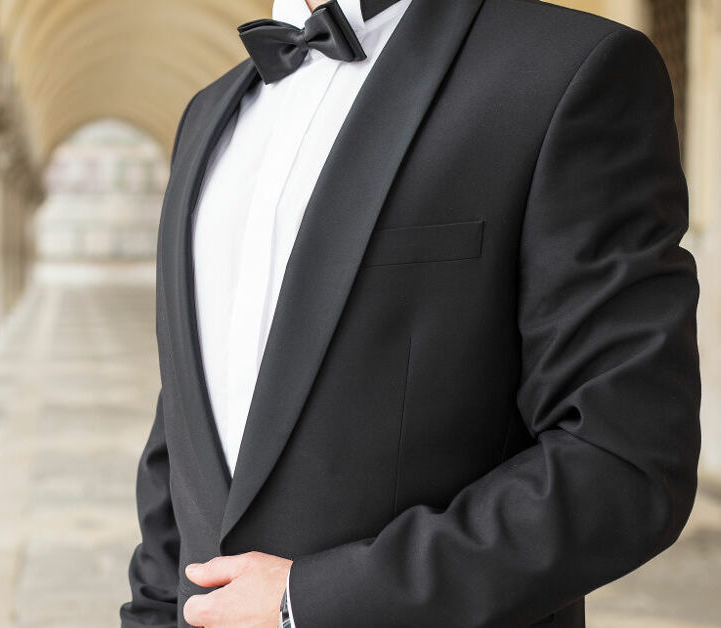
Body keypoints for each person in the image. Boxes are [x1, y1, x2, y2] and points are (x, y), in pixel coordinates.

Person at [120, 0, 702, 625]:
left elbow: (623, 460)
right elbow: (182, 430)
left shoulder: (569, 71)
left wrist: (310, 604)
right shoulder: (207, 114)